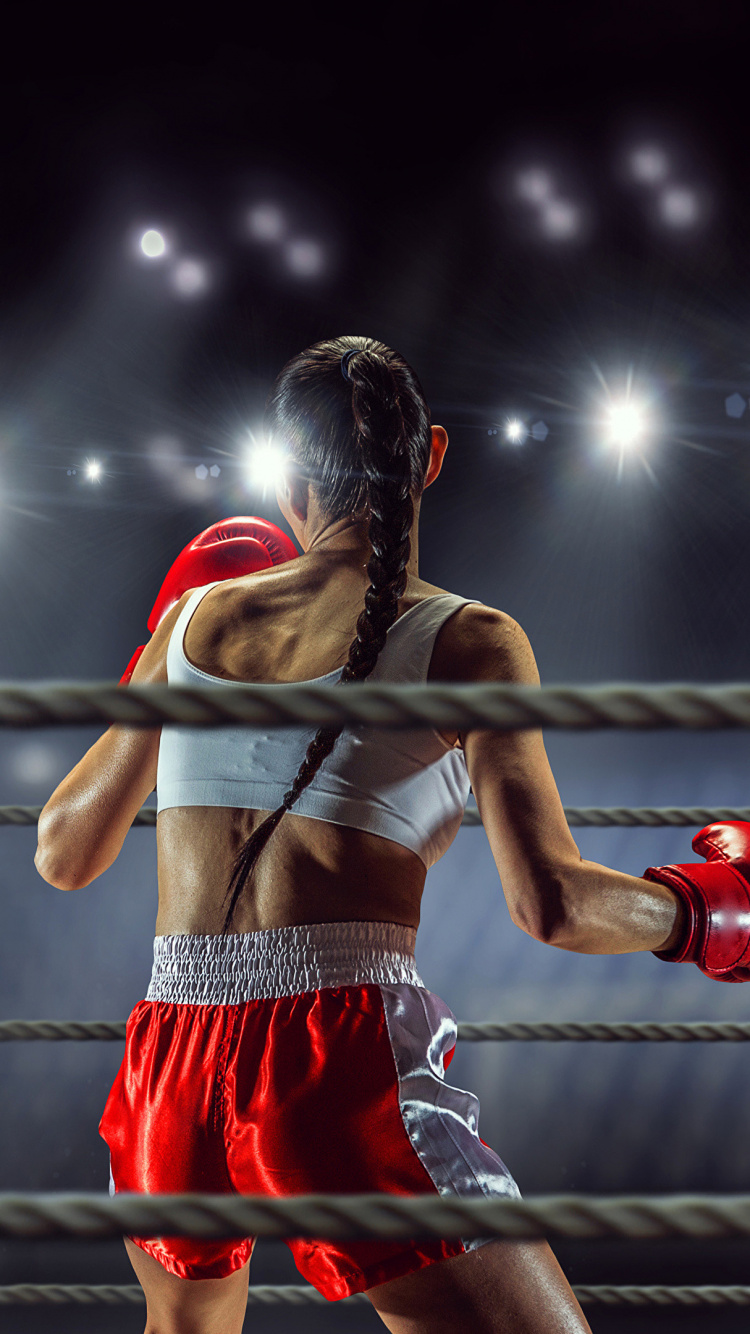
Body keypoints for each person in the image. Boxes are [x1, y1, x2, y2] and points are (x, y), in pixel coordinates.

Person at [34, 335, 750, 1334]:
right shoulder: (470, 638)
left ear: (288, 476)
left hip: (169, 1057)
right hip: (337, 1053)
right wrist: (716, 909)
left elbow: (62, 850)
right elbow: (552, 903)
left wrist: (161, 665)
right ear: (435, 456)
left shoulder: (193, 618)